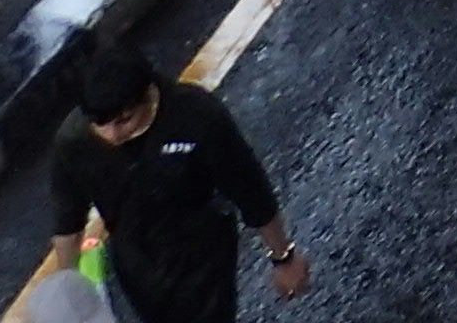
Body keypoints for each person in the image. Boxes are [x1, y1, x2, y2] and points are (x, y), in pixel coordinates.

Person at [48, 39, 311, 320]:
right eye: (100, 125)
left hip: (202, 259)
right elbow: (68, 223)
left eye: (124, 120)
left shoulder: (196, 117)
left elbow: (250, 190)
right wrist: (69, 299)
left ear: (148, 95)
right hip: (136, 267)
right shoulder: (74, 142)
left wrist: (283, 257)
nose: (112, 135)